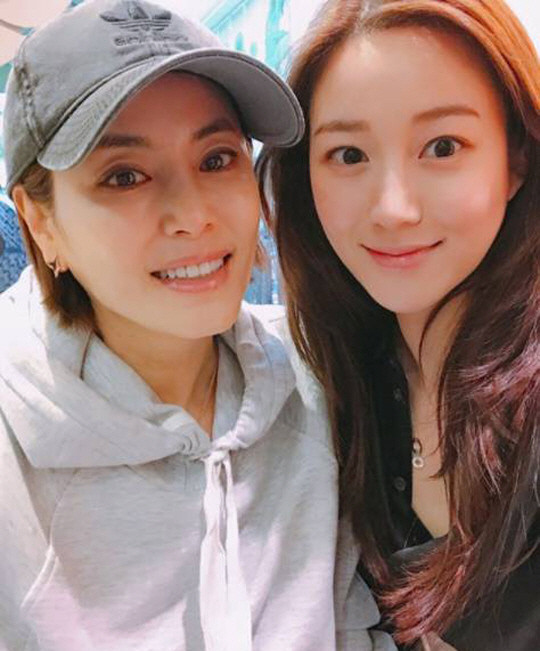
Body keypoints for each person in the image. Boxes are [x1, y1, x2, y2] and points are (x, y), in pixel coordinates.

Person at [0, 1, 395, 650]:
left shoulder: (314, 378)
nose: (193, 215)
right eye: (125, 176)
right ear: (41, 223)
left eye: (216, 159)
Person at [258, 0, 540, 649]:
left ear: (516, 159)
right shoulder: (339, 375)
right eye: (348, 154)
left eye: (443, 147)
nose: (393, 208)